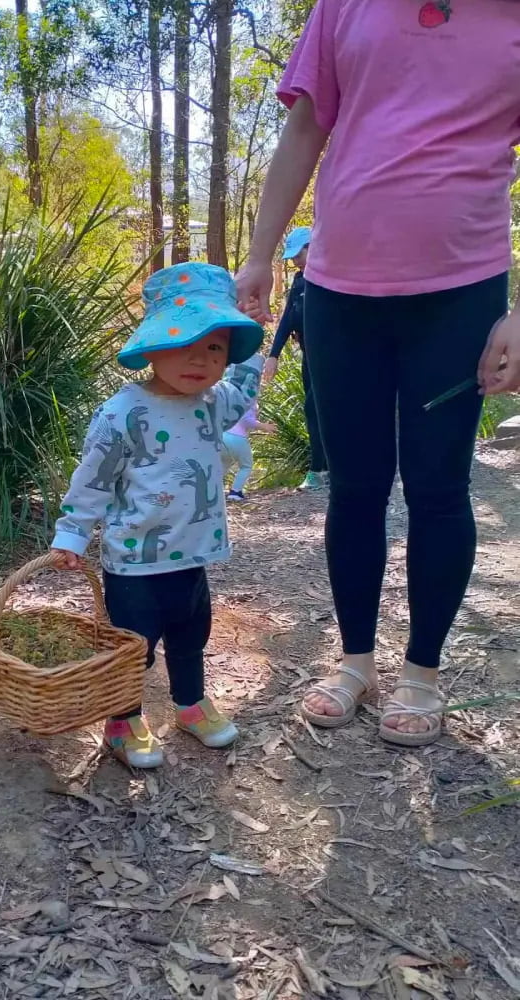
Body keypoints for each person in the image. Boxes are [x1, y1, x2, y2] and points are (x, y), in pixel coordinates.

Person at [236, 0, 520, 747]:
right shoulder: (345, 6)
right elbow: (305, 129)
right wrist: (261, 255)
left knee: (437, 487)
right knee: (355, 489)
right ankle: (355, 661)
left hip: (461, 294)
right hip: (339, 292)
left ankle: (422, 675)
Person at [52, 262, 265, 768]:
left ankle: (190, 705)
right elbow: (94, 479)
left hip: (192, 557)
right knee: (134, 649)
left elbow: (246, 391)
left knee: (192, 637)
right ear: (152, 348)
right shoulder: (123, 413)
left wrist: (258, 322)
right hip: (134, 562)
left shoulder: (214, 402)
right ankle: (122, 721)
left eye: (215, 347)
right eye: (184, 343)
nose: (200, 359)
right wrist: (72, 534)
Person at [266, 226, 328, 491]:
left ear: (312, 248)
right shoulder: (299, 281)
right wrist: (273, 354)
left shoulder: (330, 280)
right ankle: (321, 469)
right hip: (308, 356)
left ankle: (323, 470)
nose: (295, 260)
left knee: (321, 409)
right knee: (312, 410)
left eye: (298, 254)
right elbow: (289, 317)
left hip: (330, 356)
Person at [223, 400, 276, 502]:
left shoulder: (231, 398)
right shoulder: (249, 400)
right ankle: (235, 492)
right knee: (246, 466)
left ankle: (210, 489)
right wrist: (263, 426)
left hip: (223, 436)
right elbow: (246, 420)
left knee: (223, 463)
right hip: (238, 438)